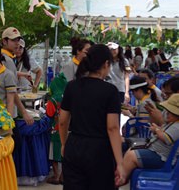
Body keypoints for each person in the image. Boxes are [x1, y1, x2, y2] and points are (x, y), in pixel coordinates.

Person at [59, 44, 124, 189]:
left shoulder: (72, 86)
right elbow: (112, 128)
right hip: (100, 150)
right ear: (106, 64)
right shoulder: (110, 91)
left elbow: (62, 121)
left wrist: (64, 144)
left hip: (74, 145)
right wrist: (120, 163)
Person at [121, 93, 179, 185]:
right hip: (155, 151)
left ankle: (121, 179)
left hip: (162, 157)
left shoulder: (177, 127)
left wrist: (156, 130)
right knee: (130, 151)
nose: (166, 114)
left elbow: (166, 138)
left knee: (131, 156)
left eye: (170, 113)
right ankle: (122, 176)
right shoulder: (171, 123)